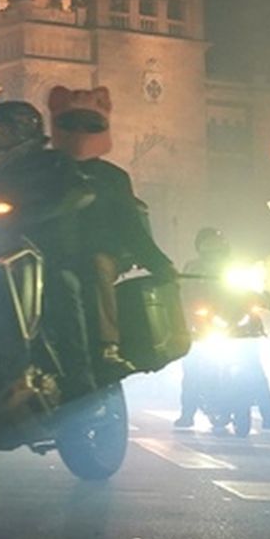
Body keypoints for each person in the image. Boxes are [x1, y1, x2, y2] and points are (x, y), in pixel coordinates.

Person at [0, 100, 96, 399]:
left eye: (1, 132)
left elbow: (81, 192)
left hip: (46, 257)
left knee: (62, 290)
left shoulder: (53, 163)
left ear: (24, 131)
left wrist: (45, 211)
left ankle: (81, 389)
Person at [46, 85, 176, 378]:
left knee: (97, 265)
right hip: (44, 254)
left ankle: (108, 345)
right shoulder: (43, 170)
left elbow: (131, 228)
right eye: (71, 123)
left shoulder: (113, 178)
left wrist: (160, 263)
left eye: (88, 124)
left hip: (92, 256)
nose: (80, 130)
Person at [178, 227, 270, 432]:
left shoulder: (236, 268)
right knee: (192, 367)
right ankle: (187, 413)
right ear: (200, 248)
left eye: (217, 245)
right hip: (204, 327)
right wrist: (188, 314)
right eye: (208, 245)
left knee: (255, 370)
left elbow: (252, 290)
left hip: (239, 327)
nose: (213, 250)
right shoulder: (192, 268)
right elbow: (183, 295)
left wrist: (262, 298)